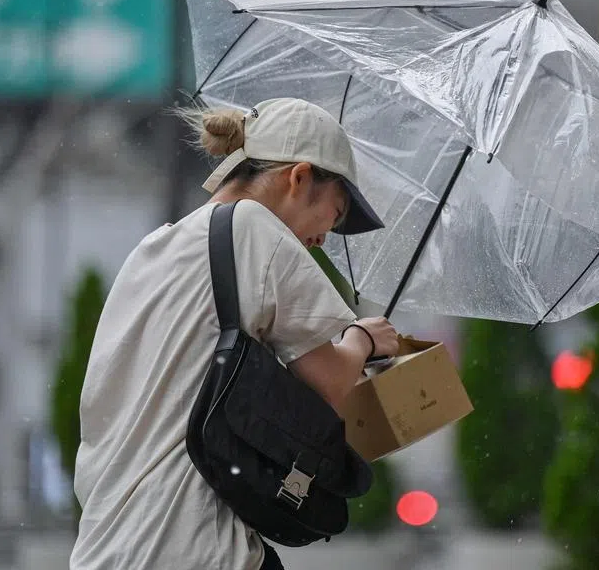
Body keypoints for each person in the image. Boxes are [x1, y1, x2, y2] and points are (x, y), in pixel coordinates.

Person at [69, 97, 400, 570]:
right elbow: (328, 383)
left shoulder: (156, 247)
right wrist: (363, 340)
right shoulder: (256, 230)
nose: (328, 235)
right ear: (300, 177)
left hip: (107, 546)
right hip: (190, 546)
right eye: (337, 210)